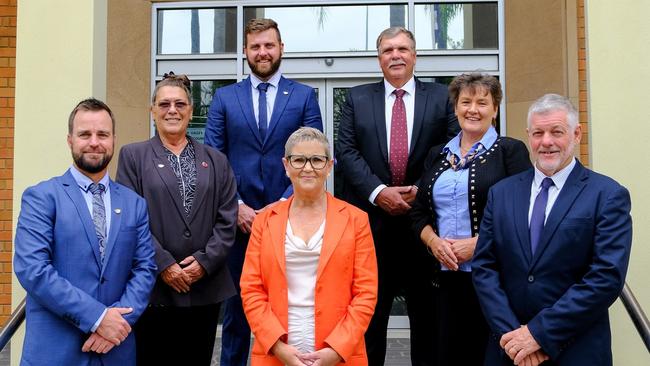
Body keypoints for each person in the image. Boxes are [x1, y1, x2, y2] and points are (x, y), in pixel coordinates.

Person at [472, 93, 633, 366]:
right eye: (538, 133)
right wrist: (514, 337)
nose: (546, 141)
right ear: (528, 136)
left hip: (576, 350)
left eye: (556, 132)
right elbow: (485, 267)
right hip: (508, 351)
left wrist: (538, 334)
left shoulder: (607, 195)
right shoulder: (502, 194)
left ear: (577, 133)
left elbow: (606, 277)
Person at [336, 26, 459, 366]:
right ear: (379, 59)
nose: (396, 55)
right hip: (372, 231)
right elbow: (346, 152)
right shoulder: (357, 99)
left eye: (403, 49)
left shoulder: (441, 97)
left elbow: (451, 148)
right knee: (370, 322)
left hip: (424, 230)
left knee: (427, 324)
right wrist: (378, 192)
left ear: (415, 55)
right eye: (388, 50)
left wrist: (421, 189)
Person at [204, 18, 323, 366]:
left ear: (281, 48)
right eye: (255, 46)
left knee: (293, 311)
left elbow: (313, 158)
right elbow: (215, 158)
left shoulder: (303, 97)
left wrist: (283, 206)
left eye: (269, 45)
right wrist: (237, 206)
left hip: (291, 223)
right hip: (237, 225)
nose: (263, 52)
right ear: (245, 52)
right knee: (238, 314)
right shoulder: (226, 98)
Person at [13, 98, 157, 365]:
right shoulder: (42, 197)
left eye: (102, 134)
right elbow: (33, 269)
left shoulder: (134, 204)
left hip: (115, 350)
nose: (94, 142)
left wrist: (116, 324)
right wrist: (98, 318)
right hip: (55, 353)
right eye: (84, 134)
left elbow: (145, 269)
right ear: (70, 140)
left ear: (113, 139)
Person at [116, 73, 238, 365]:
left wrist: (204, 263)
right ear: (153, 110)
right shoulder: (133, 156)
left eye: (180, 104)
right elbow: (131, 219)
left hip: (205, 288)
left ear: (191, 111)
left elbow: (227, 216)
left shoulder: (216, 159)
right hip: (154, 288)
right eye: (165, 104)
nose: (173, 110)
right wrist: (164, 264)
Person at [410, 73, 532, 365]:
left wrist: (478, 245)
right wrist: (434, 242)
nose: (473, 109)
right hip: (440, 281)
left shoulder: (510, 152)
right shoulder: (437, 154)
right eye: (465, 102)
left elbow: (523, 213)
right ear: (455, 108)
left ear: (495, 109)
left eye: (482, 102)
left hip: (490, 281)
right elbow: (418, 212)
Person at [240, 127, 377, 366]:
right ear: (286, 164)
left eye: (316, 160)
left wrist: (336, 350)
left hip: (339, 354)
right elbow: (252, 289)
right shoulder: (265, 220)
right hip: (276, 353)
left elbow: (366, 293)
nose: (307, 167)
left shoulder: (356, 219)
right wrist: (277, 347)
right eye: (299, 160)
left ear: (329, 165)